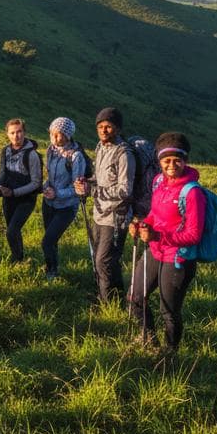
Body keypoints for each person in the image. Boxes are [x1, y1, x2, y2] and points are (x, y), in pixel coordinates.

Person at [129, 132, 204, 357]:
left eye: (176, 159)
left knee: (168, 310)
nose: (171, 165)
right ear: (159, 161)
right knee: (134, 297)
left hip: (178, 257)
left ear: (186, 160)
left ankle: (170, 353)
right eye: (166, 160)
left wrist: (156, 237)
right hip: (155, 250)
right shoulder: (159, 182)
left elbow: (194, 235)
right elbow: (154, 214)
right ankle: (148, 338)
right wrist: (143, 224)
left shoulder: (192, 192)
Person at [75, 107, 134, 303]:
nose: (103, 130)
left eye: (108, 127)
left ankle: (107, 303)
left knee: (103, 260)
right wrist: (87, 183)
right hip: (99, 213)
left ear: (117, 128)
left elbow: (125, 190)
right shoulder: (100, 148)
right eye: (100, 127)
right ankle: (114, 296)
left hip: (116, 217)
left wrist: (94, 191)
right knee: (107, 260)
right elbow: (99, 179)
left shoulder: (124, 154)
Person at [0, 118, 41, 263]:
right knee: (12, 231)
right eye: (12, 133)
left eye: (19, 132)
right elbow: (2, 174)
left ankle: (16, 260)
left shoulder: (32, 154)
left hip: (26, 199)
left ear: (24, 132)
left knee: (11, 231)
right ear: (7, 134)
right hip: (8, 197)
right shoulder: (6, 151)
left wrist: (14, 192)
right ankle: (19, 258)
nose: (16, 136)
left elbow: (36, 183)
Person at [40, 116, 86, 280]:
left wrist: (57, 193)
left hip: (66, 207)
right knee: (51, 241)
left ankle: (51, 273)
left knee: (47, 241)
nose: (55, 138)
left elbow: (77, 188)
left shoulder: (76, 156)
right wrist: (46, 187)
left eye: (59, 135)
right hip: (48, 203)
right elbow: (50, 177)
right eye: (52, 133)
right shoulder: (51, 150)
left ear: (68, 136)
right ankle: (52, 268)